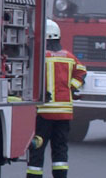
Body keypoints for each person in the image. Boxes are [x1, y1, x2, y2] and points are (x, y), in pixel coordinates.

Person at [27, 19, 86, 178]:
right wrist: (70, 88)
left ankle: (34, 176)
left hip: (43, 112)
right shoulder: (69, 56)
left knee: (37, 148)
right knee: (60, 149)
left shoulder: (39, 57)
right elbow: (81, 72)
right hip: (64, 113)